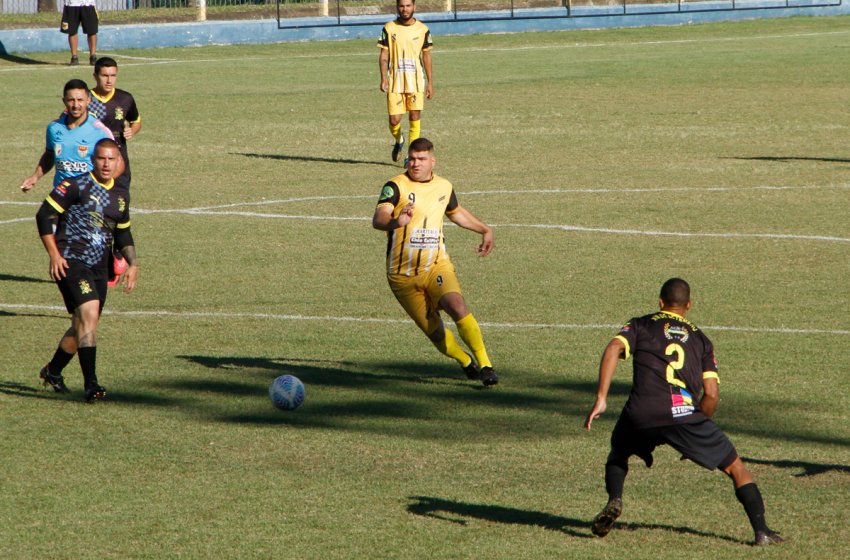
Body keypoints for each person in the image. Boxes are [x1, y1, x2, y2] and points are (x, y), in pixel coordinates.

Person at [584, 278, 784, 546]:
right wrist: (697, 427)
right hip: (683, 414)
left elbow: (613, 348)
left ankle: (614, 499)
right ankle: (762, 531)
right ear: (689, 305)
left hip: (641, 411)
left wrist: (601, 398)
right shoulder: (701, 339)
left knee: (619, 452)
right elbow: (711, 394)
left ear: (660, 302)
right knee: (736, 467)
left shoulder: (641, 324)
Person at [372, 138, 497, 386]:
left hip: (435, 265)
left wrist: (485, 230)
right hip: (402, 276)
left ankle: (485, 365)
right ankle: (465, 361)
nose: (415, 164)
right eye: (412, 159)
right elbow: (379, 219)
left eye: (421, 159)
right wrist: (397, 222)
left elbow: (457, 213)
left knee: (457, 306)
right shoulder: (395, 186)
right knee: (436, 333)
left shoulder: (444, 186)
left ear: (432, 161)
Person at [35, 138, 139, 402]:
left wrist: (133, 264)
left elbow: (123, 233)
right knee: (89, 312)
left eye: (111, 159)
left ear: (119, 162)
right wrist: (54, 255)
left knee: (83, 324)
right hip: (71, 260)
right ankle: (91, 384)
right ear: (93, 159)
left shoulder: (120, 195)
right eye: (101, 158)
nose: (106, 164)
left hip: (99, 267)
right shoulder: (75, 185)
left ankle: (53, 371)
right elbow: (44, 215)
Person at [89, 56, 142, 285]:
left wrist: (133, 131)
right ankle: (107, 261)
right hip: (94, 168)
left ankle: (117, 253)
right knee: (97, 216)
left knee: (117, 213)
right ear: (96, 76)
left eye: (113, 75)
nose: (109, 80)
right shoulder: (86, 100)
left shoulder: (125, 99)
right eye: (105, 75)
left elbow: (136, 121)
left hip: (120, 168)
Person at [20, 79, 114, 192]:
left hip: (89, 196)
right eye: (71, 100)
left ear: (88, 101)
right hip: (60, 195)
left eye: (80, 100)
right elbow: (49, 155)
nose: (76, 105)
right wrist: (35, 177)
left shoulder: (100, 131)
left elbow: (118, 163)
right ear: (64, 101)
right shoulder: (54, 128)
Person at [377, 0, 433, 166]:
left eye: (408, 5)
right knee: (394, 120)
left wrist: (430, 83)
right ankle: (399, 138)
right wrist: (383, 78)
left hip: (415, 81)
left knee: (414, 117)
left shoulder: (423, 29)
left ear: (414, 7)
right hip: (395, 81)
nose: (405, 9)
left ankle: (411, 155)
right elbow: (384, 55)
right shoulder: (389, 28)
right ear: (397, 7)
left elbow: (426, 57)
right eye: (402, 6)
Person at [60, 0, 99, 66]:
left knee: (92, 31)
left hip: (88, 4)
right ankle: (74, 57)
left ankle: (93, 56)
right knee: (72, 31)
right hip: (71, 4)